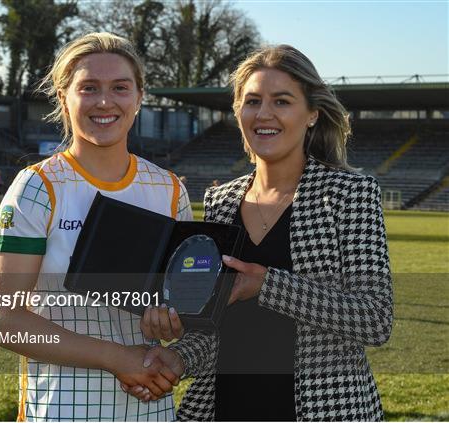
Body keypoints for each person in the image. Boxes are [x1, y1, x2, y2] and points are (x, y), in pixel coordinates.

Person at [127, 44, 393, 421]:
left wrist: (267, 285)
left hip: (324, 411)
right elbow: (215, 327)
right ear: (238, 112)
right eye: (252, 101)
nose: (264, 114)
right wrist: (177, 357)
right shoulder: (220, 201)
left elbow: (375, 319)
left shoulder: (350, 194)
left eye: (282, 101)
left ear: (312, 114)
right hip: (227, 408)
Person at [0, 32, 191, 421]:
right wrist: (118, 358)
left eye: (120, 88)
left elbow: (181, 309)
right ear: (64, 97)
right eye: (89, 88)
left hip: (151, 408)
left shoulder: (169, 189)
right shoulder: (38, 186)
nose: (104, 101)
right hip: (61, 409)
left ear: (139, 97)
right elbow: (6, 322)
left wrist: (171, 321)